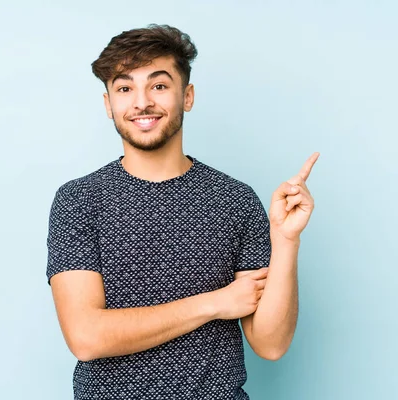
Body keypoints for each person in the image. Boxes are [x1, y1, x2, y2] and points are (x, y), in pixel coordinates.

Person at [46, 24, 319, 400]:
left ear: (186, 96)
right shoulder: (79, 201)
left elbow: (271, 345)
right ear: (109, 104)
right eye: (125, 88)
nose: (142, 102)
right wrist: (214, 303)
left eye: (158, 85)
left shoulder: (236, 200)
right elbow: (86, 337)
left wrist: (286, 240)